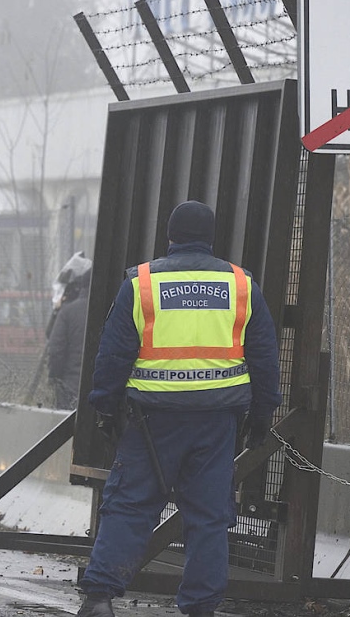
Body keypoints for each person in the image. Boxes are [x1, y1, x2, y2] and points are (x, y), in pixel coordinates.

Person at [77, 201, 281, 617]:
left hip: (151, 421)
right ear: (211, 238)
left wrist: (106, 408)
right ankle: (201, 607)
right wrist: (262, 415)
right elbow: (264, 357)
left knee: (130, 505)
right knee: (209, 516)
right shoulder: (241, 285)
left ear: (170, 236)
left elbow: (113, 355)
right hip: (217, 424)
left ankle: (100, 597)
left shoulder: (142, 284)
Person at [47, 256, 92, 410]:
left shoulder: (67, 312)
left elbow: (55, 350)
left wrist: (54, 379)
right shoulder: (111, 311)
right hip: (99, 389)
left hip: (70, 388)